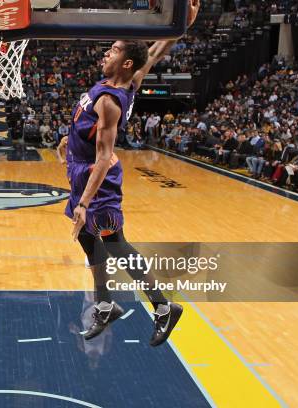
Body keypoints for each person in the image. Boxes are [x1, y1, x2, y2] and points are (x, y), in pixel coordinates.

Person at [66, 0, 199, 346]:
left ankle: (163, 307)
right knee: (86, 238)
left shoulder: (110, 101)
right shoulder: (129, 79)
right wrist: (180, 25)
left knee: (115, 244)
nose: (104, 55)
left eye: (111, 51)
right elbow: (152, 54)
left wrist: (84, 202)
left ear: (124, 62)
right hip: (82, 173)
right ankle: (106, 304)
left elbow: (104, 156)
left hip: (98, 181)